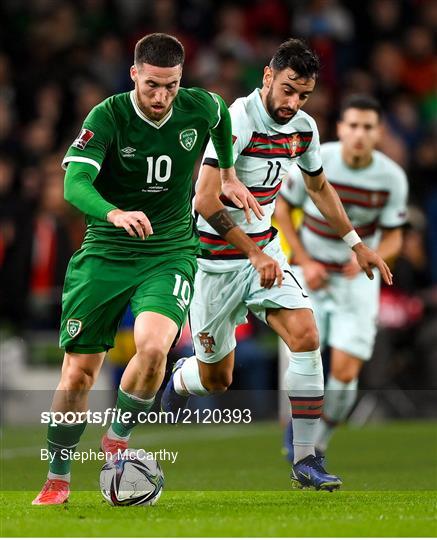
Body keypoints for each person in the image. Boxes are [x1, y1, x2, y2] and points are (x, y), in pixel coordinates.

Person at [32, 33, 261, 505]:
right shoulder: (109, 116)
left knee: (155, 348)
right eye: (152, 85)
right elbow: (74, 183)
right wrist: (113, 212)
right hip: (106, 251)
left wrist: (229, 172)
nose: (161, 98)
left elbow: (219, 116)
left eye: (171, 87)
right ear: (135, 74)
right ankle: (57, 475)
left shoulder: (200, 106)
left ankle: (116, 442)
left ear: (181, 80)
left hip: (169, 249)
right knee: (77, 375)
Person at [161, 40, 392, 491]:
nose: (293, 103)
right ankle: (183, 375)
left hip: (265, 253)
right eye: (287, 90)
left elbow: (320, 187)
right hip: (216, 264)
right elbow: (205, 200)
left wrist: (355, 242)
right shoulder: (235, 121)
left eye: (303, 95)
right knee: (216, 378)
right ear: (268, 76)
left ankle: (306, 459)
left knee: (306, 335)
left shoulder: (303, 128)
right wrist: (252, 252)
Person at [275, 94, 408, 460]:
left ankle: (319, 441)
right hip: (312, 273)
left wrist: (380, 255)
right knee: (307, 356)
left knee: (346, 373)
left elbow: (395, 232)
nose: (360, 134)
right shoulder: (320, 161)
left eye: (368, 127)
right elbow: (284, 209)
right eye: (353, 125)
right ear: (340, 128)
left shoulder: (391, 177)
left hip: (356, 281)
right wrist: (304, 260)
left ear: (379, 132)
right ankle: (301, 434)